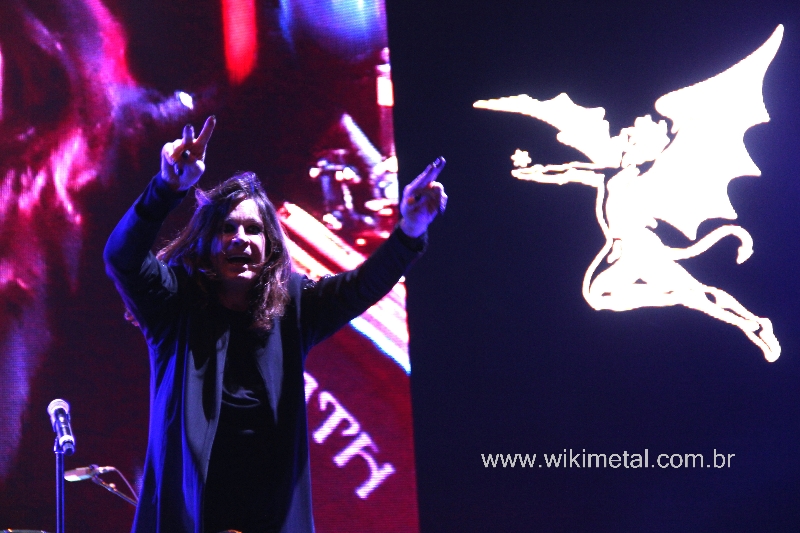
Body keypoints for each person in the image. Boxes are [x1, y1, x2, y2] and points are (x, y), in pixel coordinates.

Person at [103, 116, 446, 533]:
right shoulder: (174, 303)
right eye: (227, 228)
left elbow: (361, 287)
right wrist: (166, 187)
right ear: (206, 243)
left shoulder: (294, 306)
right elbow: (121, 257)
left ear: (269, 249)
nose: (240, 238)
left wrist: (410, 230)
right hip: (190, 519)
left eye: (253, 229)